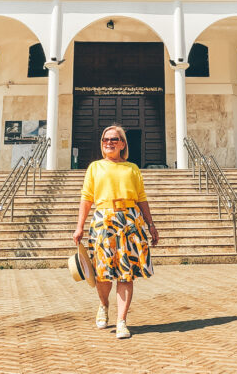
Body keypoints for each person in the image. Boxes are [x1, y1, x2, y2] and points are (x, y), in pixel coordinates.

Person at [72, 124, 159, 339]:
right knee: (103, 274)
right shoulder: (95, 167)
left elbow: (141, 198)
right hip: (103, 221)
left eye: (113, 139)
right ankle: (103, 304)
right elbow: (87, 197)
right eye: (105, 140)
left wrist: (151, 224)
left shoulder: (132, 168)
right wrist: (79, 226)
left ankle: (122, 321)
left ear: (122, 144)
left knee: (126, 273)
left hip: (130, 222)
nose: (108, 143)